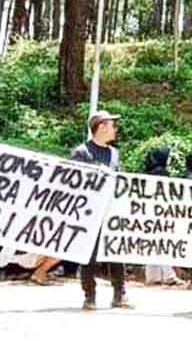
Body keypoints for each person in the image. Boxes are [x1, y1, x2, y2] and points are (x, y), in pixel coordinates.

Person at [72, 110, 132, 311]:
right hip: (89, 213)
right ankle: (89, 296)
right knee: (88, 257)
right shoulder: (81, 152)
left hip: (111, 212)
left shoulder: (114, 153)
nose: (115, 129)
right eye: (112, 125)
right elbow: (73, 182)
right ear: (100, 127)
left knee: (116, 253)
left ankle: (119, 294)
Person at [141, 147, 183, 287]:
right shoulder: (161, 173)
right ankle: (168, 275)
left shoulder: (147, 172)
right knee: (163, 243)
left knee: (151, 244)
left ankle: (152, 276)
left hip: (148, 213)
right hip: (161, 213)